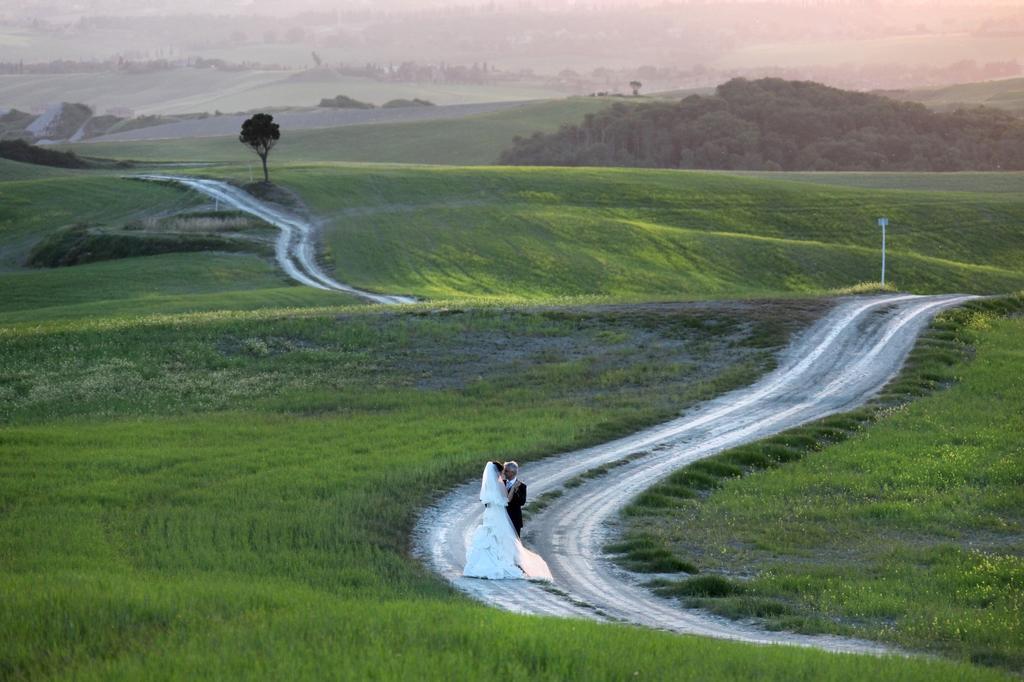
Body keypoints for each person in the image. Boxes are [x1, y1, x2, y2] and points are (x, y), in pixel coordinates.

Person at [462, 461, 552, 581]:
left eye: (506, 471)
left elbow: (521, 502)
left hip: (513, 519)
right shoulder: (500, 483)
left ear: (513, 472)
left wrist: (514, 490)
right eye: (503, 470)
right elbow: (504, 501)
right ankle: (504, 563)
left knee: (514, 544)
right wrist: (511, 490)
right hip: (500, 517)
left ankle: (517, 564)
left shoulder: (522, 486)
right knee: (498, 540)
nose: (504, 473)